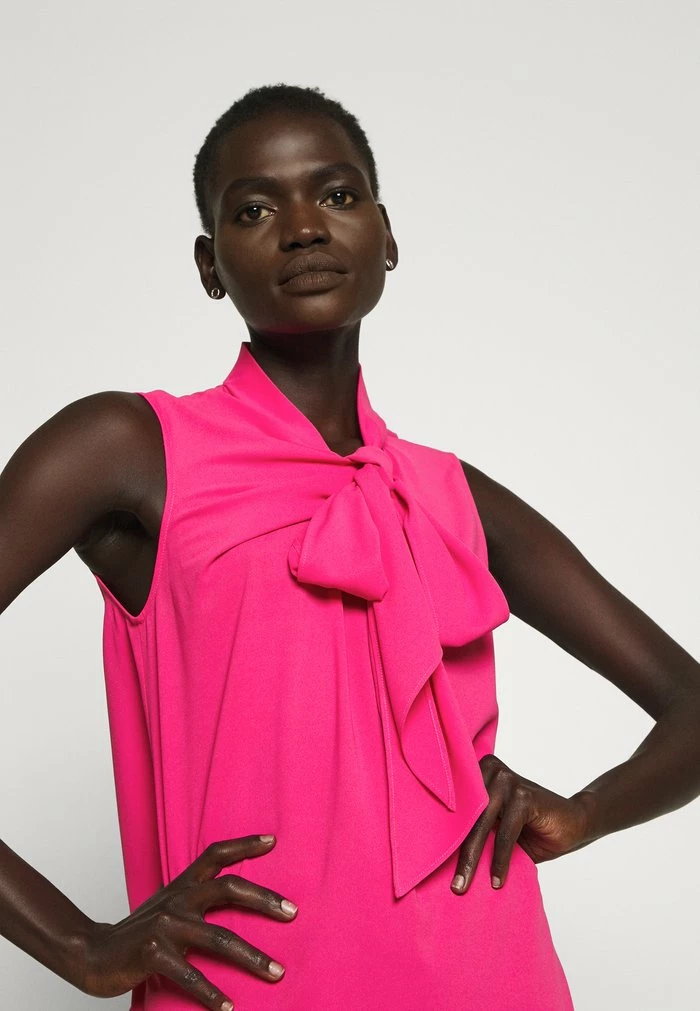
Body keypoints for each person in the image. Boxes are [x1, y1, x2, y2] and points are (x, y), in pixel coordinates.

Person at [0, 82, 698, 1011]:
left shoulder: (449, 492)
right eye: (255, 209)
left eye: (336, 195)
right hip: (251, 984)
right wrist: (78, 944)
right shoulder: (127, 449)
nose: (303, 228)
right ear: (210, 266)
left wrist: (584, 812)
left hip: (493, 975)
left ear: (387, 235)